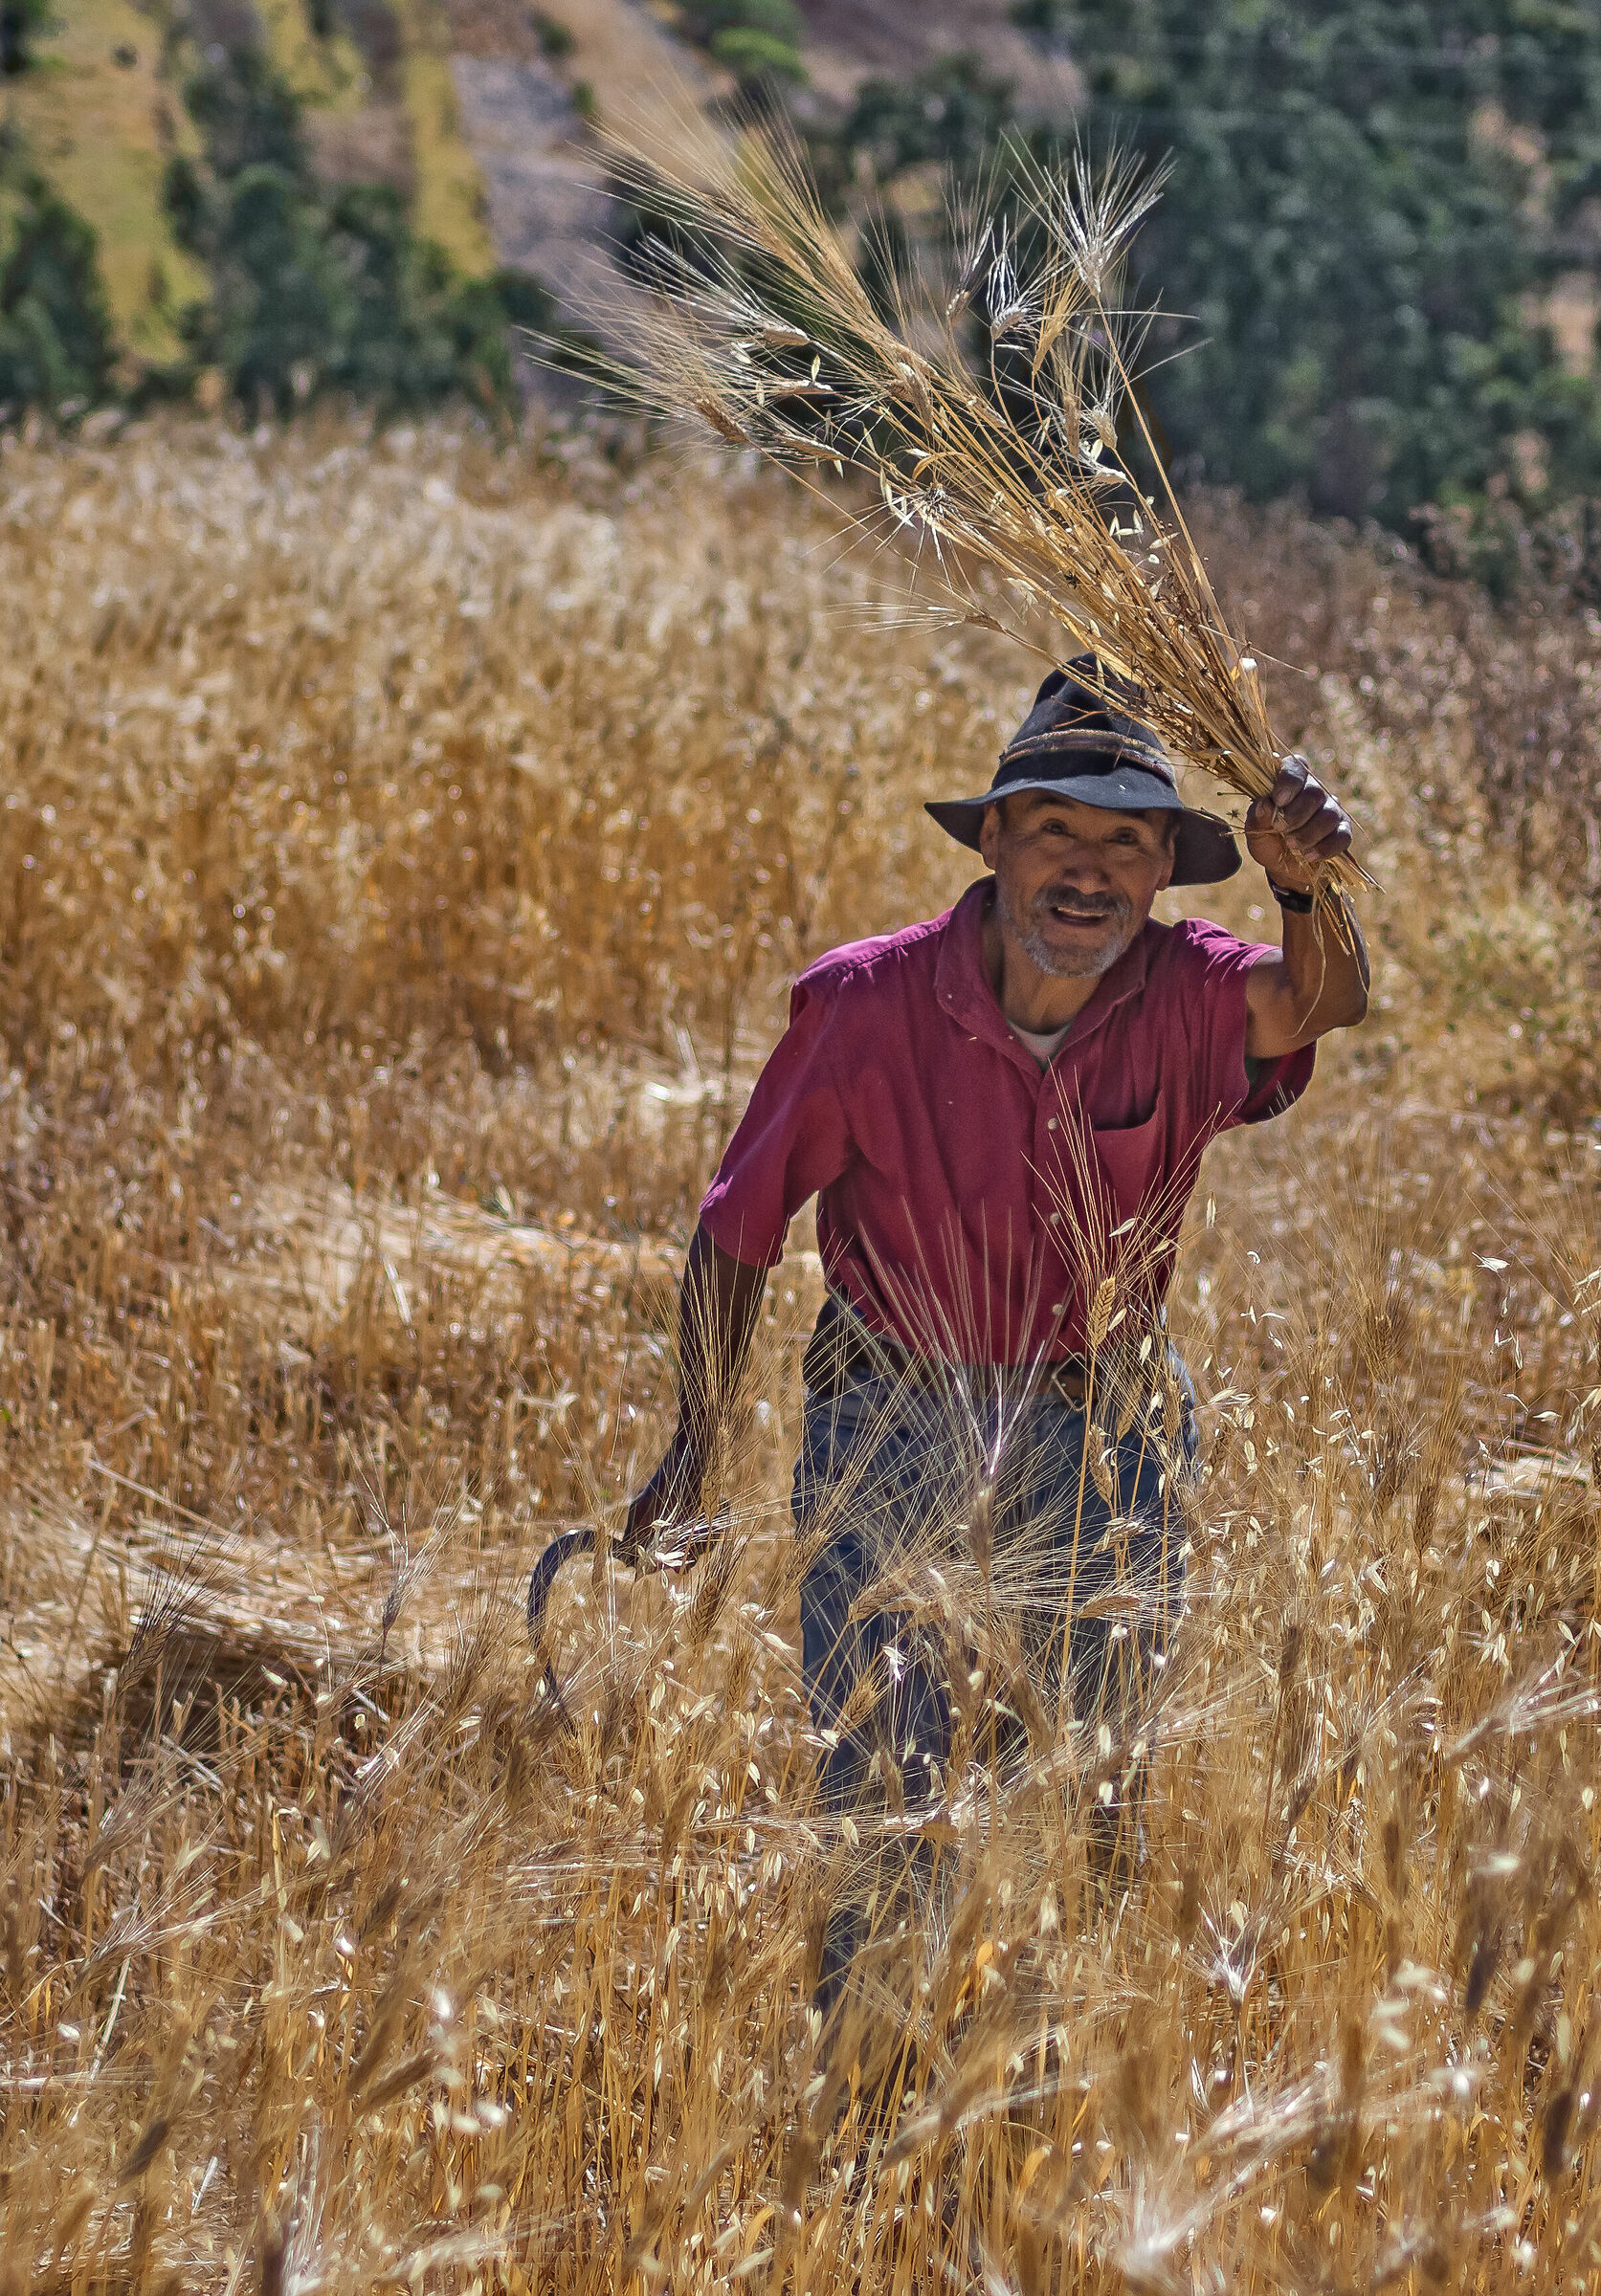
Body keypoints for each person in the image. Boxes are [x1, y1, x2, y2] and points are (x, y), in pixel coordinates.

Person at [621, 659, 1368, 2001]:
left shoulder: (1192, 987)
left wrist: (1305, 887)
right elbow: (737, 1232)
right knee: (882, 1794)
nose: (1087, 870)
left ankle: (1040, 2068)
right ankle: (870, 2073)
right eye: (1055, 830)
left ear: (1164, 872)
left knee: (1085, 1796)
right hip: (889, 1427)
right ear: (994, 843)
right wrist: (694, 1443)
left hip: (1103, 1430)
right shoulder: (865, 1006)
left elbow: (1321, 1004)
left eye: (1125, 842)